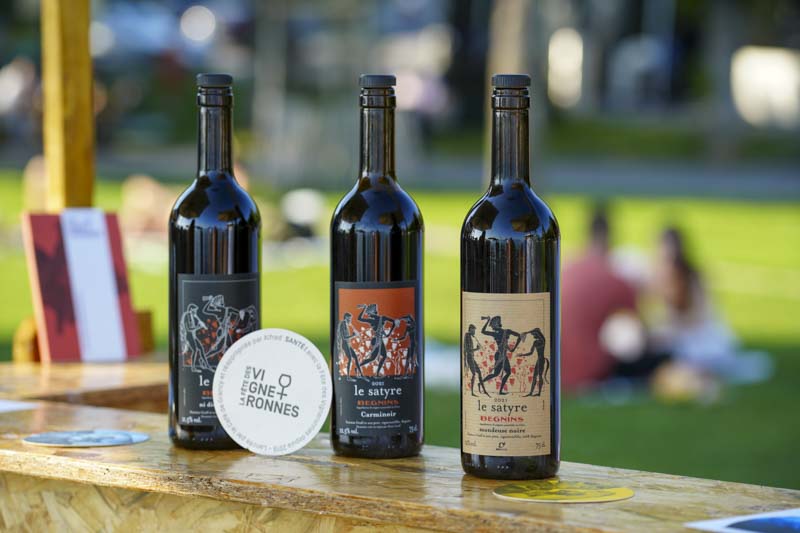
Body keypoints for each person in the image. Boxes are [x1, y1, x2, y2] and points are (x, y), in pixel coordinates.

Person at [650, 227, 770, 383]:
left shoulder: (692, 277)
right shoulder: (658, 275)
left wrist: (669, 331)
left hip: (698, 337)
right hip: (680, 335)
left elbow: (697, 317)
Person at [561, 207, 639, 391]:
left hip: (559, 370)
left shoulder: (565, 271)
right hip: (593, 372)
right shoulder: (616, 280)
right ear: (609, 236)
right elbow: (635, 341)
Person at [463, 324, 489, 396]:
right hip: (469, 358)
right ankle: (472, 392)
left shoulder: (469, 336)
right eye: (473, 331)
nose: (474, 332)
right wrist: (477, 349)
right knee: (474, 374)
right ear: (470, 330)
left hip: (472, 357)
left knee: (479, 372)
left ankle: (484, 390)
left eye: (474, 331)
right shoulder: (467, 336)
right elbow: (468, 350)